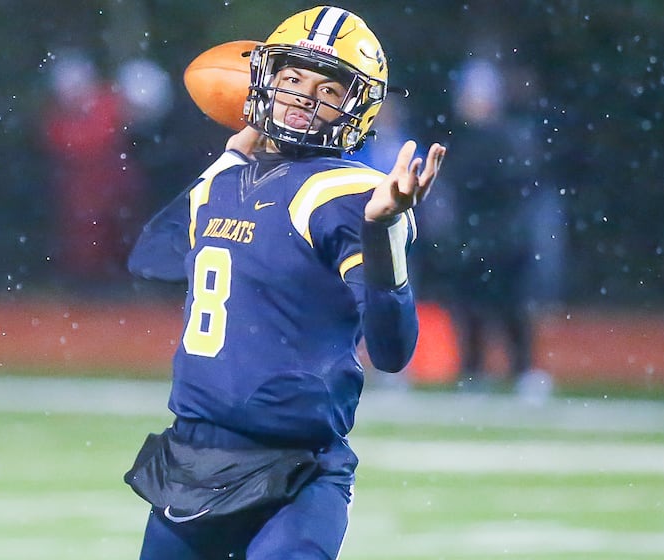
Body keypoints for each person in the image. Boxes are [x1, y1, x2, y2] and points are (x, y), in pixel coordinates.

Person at [123, 6, 445, 559]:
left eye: (327, 89)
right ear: (264, 80)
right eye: (291, 78)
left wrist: (383, 228)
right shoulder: (224, 180)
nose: (302, 96)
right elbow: (151, 258)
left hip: (296, 470)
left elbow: (393, 351)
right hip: (191, 458)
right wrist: (229, 157)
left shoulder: (347, 193)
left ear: (357, 106)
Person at [416, 59, 553, 399]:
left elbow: (517, 189)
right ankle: (473, 369)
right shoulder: (462, 139)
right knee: (469, 307)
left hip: (502, 237)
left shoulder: (508, 139)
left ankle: (522, 369)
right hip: (474, 237)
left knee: (510, 306)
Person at [42, 49, 142, 292]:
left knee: (120, 231)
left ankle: (118, 281)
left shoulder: (105, 105)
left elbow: (101, 139)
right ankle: (87, 283)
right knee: (83, 238)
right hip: (83, 189)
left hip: (111, 184)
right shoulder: (59, 120)